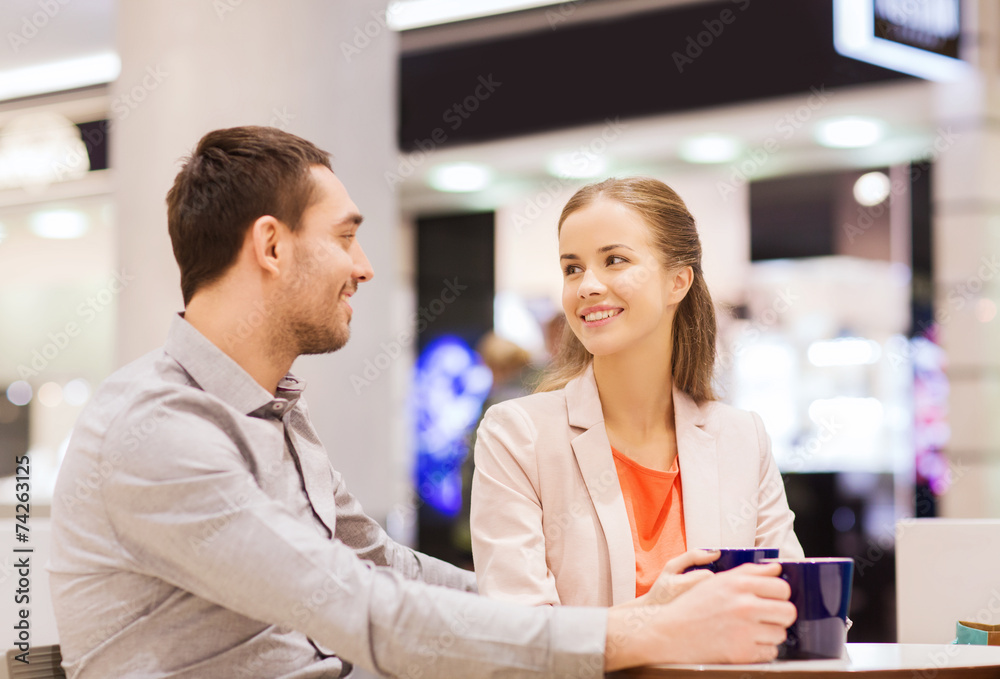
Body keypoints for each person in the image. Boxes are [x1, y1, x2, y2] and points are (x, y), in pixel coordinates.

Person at [49, 129, 796, 678]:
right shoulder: (158, 427)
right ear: (272, 247)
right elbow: (366, 612)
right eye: (346, 238)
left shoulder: (270, 415)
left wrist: (625, 618)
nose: (365, 268)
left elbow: (386, 568)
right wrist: (640, 635)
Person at [471, 176, 804, 608]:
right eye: (572, 268)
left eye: (614, 260)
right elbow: (523, 638)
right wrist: (656, 616)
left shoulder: (742, 438)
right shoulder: (518, 436)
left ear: (678, 282)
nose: (587, 285)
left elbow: (789, 606)